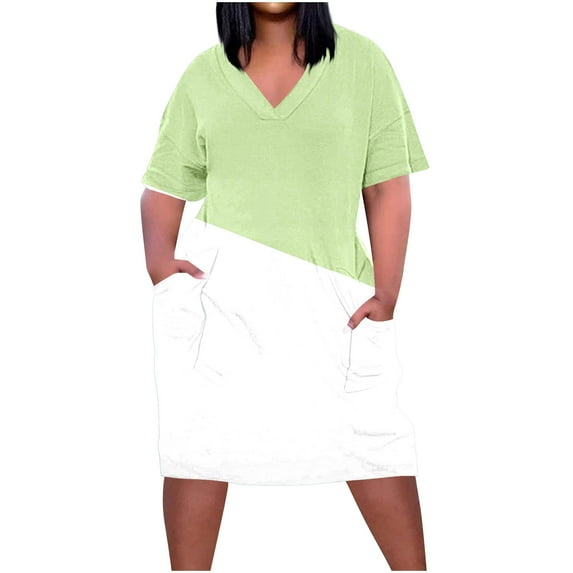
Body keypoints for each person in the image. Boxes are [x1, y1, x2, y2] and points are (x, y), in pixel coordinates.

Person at [140, 2, 429, 570]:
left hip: (335, 302)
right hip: (223, 306)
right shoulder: (203, 75)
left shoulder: (364, 63)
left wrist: (387, 292)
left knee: (375, 444)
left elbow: (386, 185)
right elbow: (162, 186)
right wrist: (161, 265)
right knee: (198, 446)